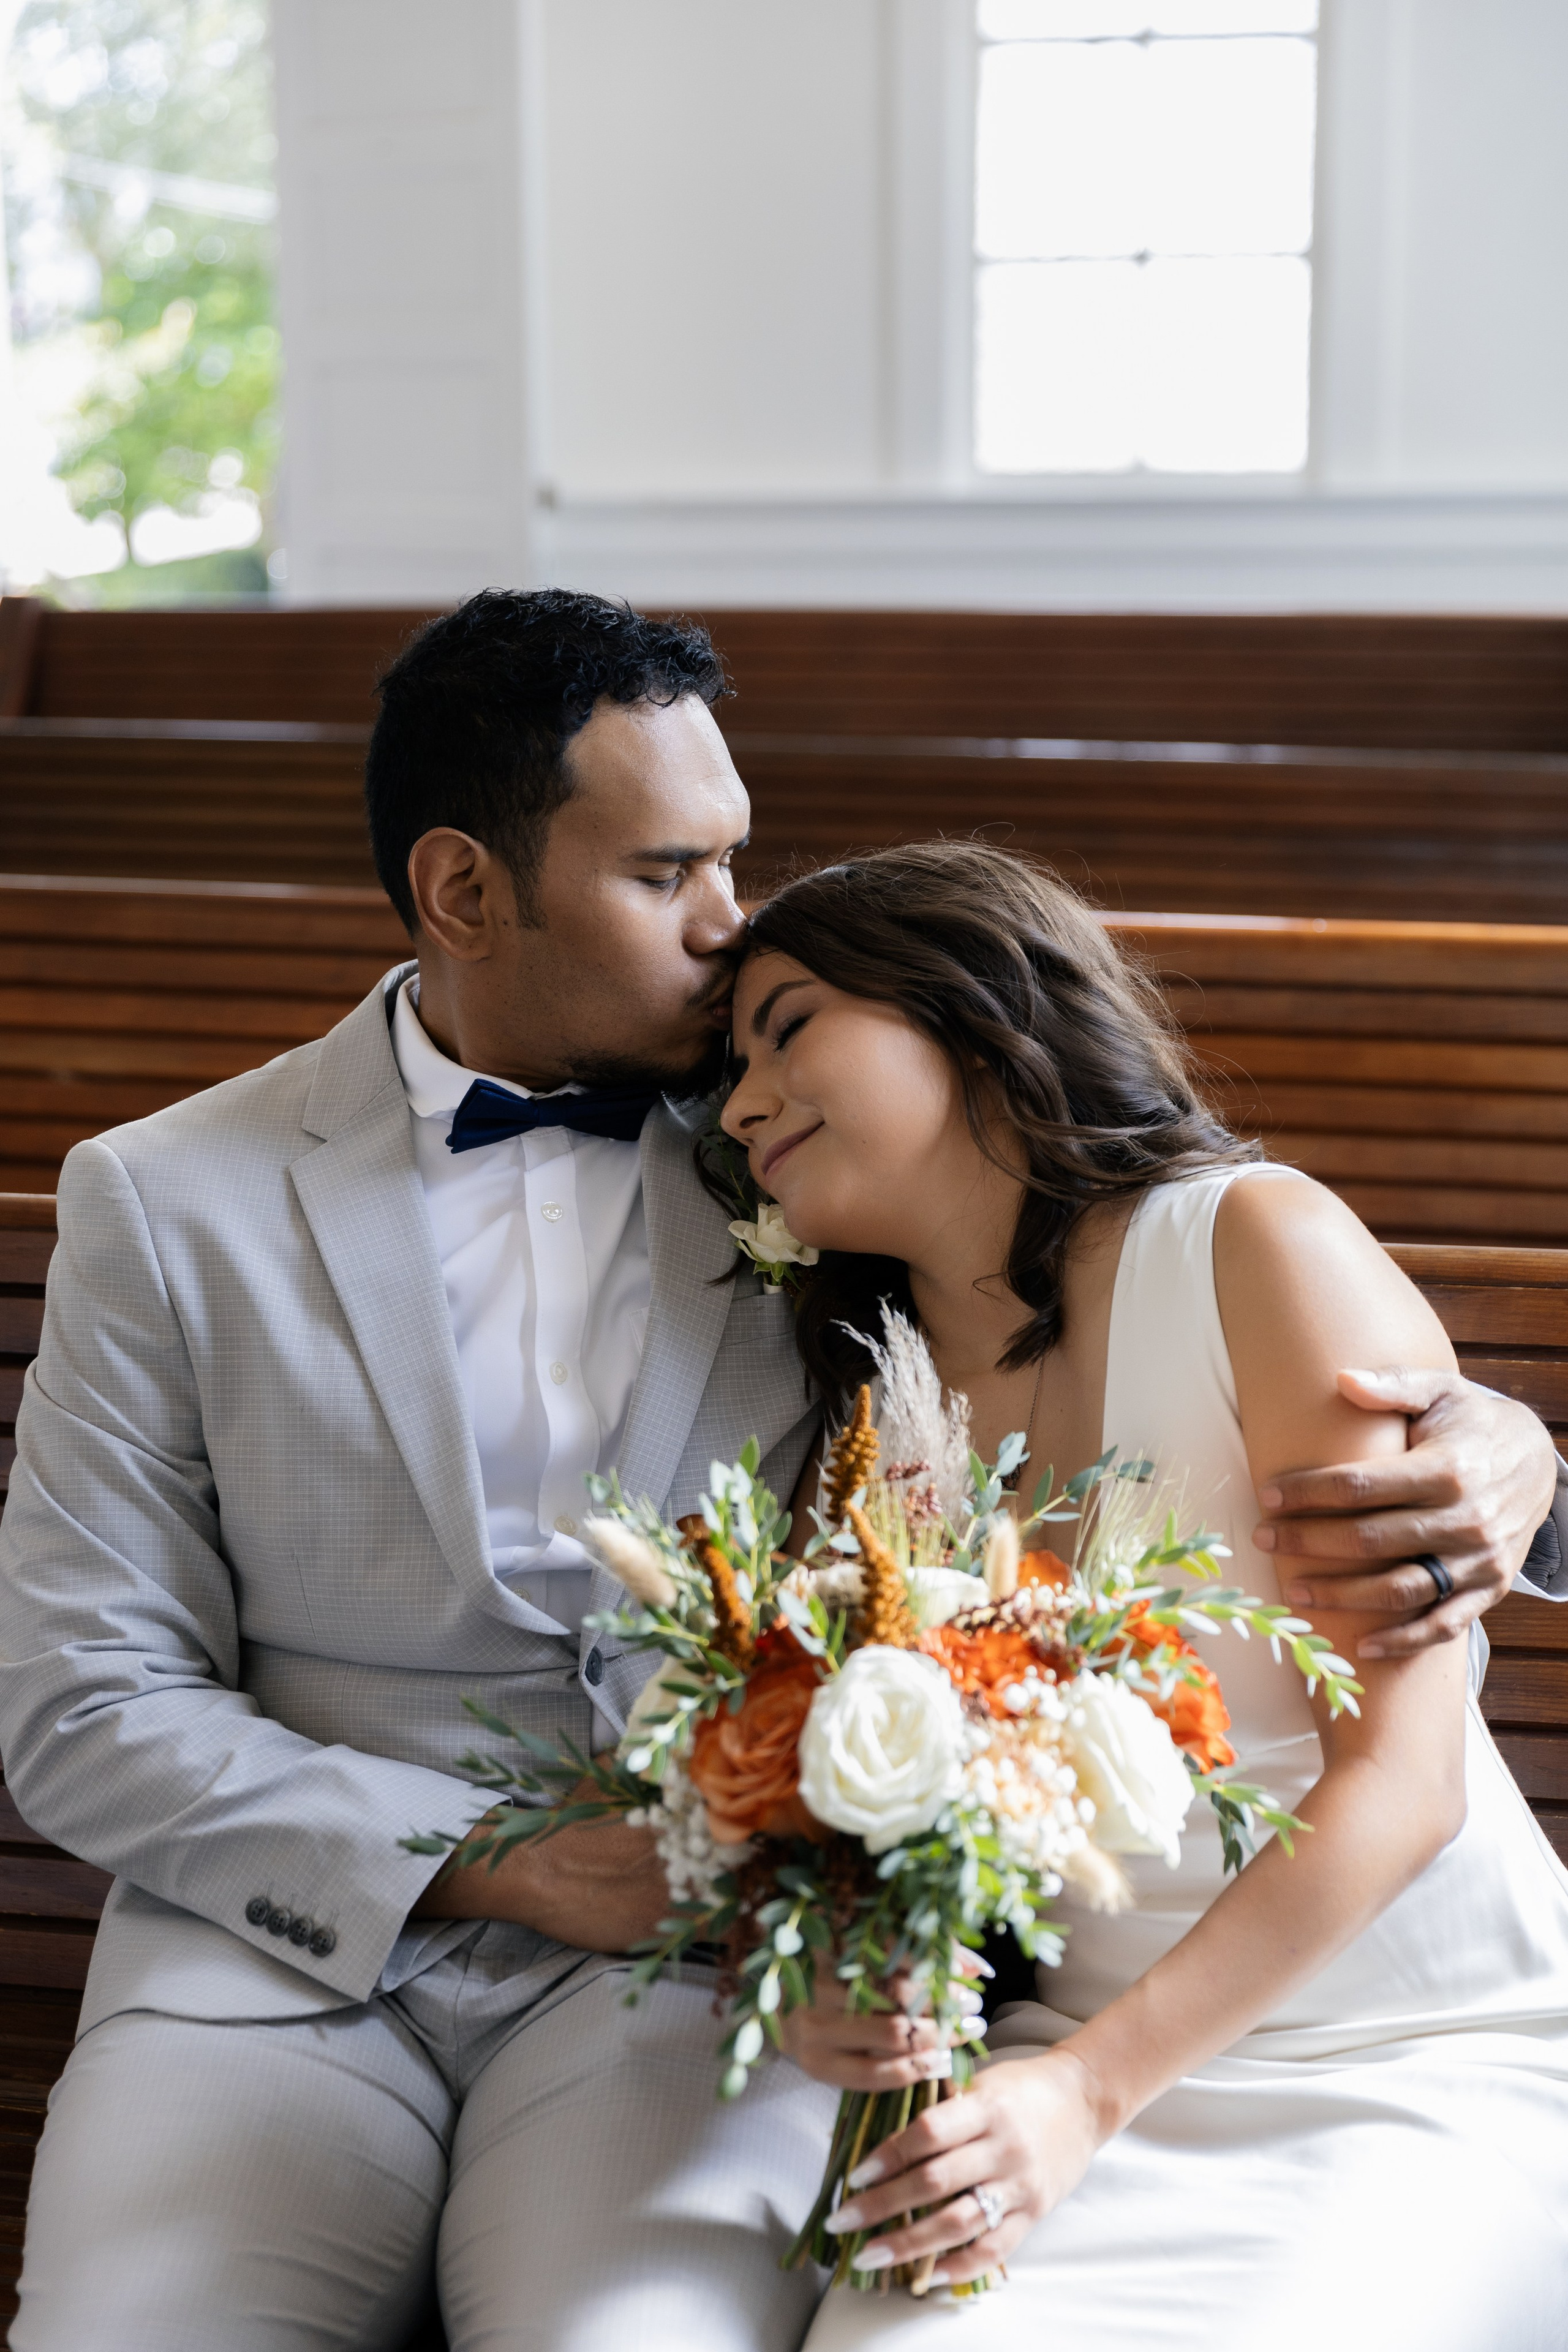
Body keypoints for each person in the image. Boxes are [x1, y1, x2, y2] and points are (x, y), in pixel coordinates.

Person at [0, 594, 1556, 2352]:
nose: (731, 930)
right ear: (463, 893)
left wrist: (1506, 1449)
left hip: (695, 1997)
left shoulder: (829, 1203)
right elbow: (81, 1703)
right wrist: (509, 1862)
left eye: (738, 872)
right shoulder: (170, 1197)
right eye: (670, 874)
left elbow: (1182, 1295)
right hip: (273, 1973)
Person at [717, 839, 1568, 2352]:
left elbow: (1408, 1781)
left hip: (1403, 2049)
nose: (738, 1102)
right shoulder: (859, 1403)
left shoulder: (1251, 1242)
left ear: (971, 1003)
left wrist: (1087, 2092)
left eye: (787, 1026)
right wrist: (828, 1984)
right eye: (729, 1066)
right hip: (1059, 2058)